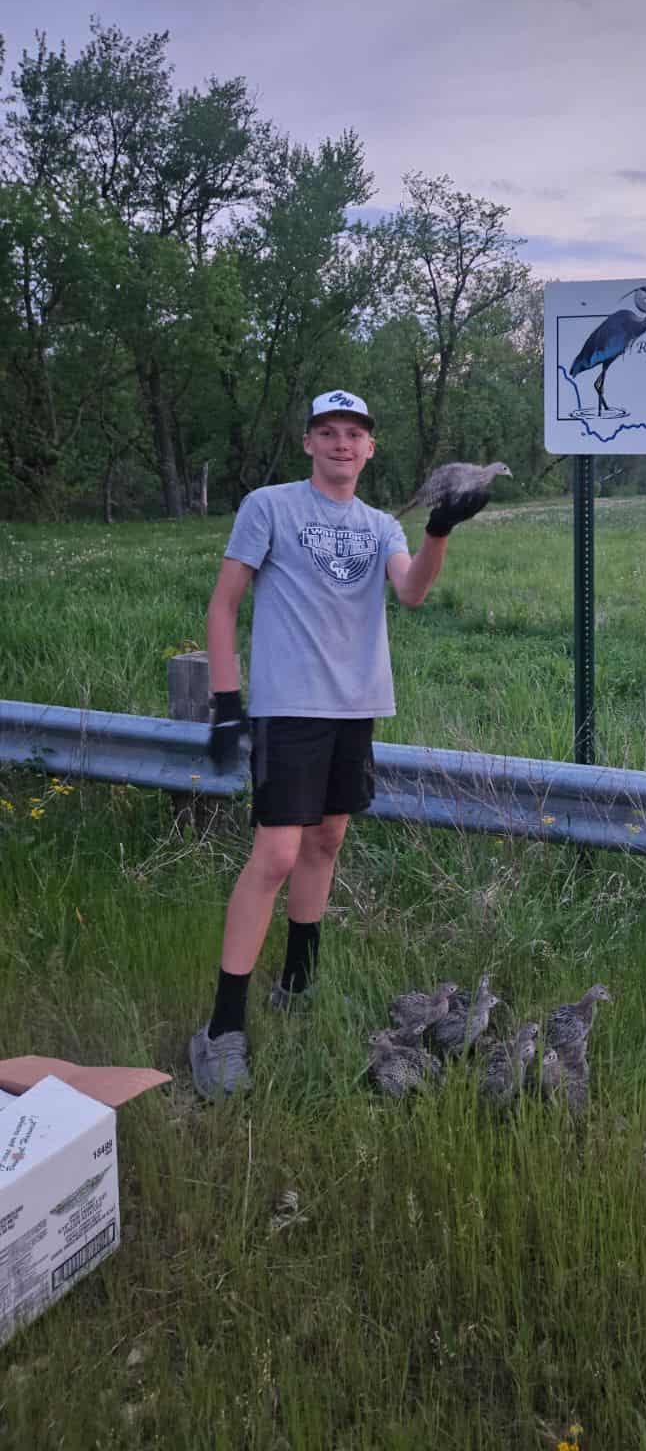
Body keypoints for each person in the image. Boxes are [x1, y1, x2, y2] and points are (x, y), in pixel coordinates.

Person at [189, 389, 490, 1100]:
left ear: (370, 448)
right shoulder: (270, 506)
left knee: (325, 844)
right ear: (308, 443)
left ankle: (298, 982)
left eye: (354, 434)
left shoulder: (382, 522)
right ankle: (221, 1027)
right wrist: (227, 704)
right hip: (290, 706)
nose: (342, 444)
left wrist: (441, 530)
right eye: (327, 432)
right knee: (277, 853)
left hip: (356, 706)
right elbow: (224, 603)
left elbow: (411, 591)